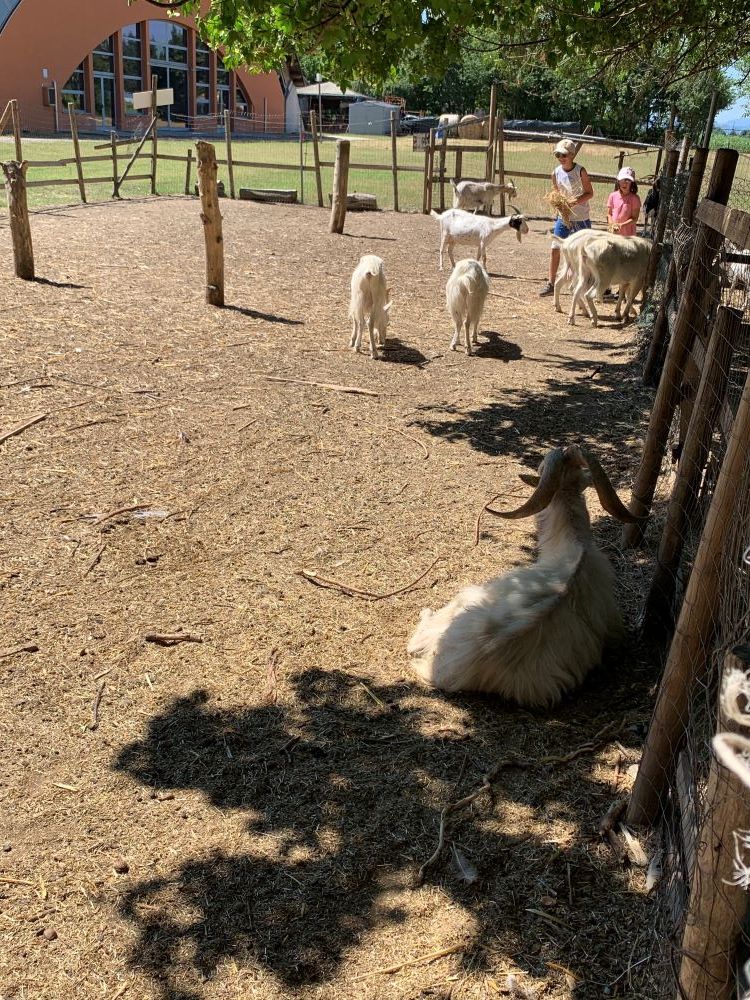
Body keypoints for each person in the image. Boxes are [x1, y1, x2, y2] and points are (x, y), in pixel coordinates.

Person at [540, 138, 594, 296]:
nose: (561, 158)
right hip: (563, 217)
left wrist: (573, 202)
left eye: (564, 155)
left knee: (584, 251)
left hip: (580, 217)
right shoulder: (555, 173)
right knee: (555, 248)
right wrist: (559, 205)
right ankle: (551, 283)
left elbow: (590, 193)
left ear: (572, 155)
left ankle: (588, 282)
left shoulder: (580, 171)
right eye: (558, 155)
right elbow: (556, 192)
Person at [607, 166, 641, 236]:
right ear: (618, 181)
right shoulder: (612, 196)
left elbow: (634, 218)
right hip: (613, 234)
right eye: (622, 180)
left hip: (628, 235)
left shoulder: (635, 199)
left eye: (627, 181)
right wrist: (612, 224)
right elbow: (609, 214)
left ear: (632, 183)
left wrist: (621, 225)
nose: (624, 183)